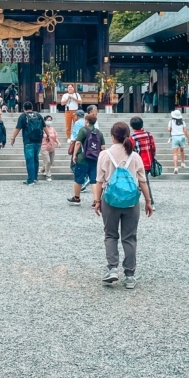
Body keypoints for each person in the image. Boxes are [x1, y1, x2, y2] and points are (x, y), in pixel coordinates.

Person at [93, 121, 153, 289]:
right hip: (131, 201)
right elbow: (142, 181)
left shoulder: (104, 155)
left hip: (110, 200)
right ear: (128, 136)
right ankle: (130, 276)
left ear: (112, 136)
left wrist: (97, 201)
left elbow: (98, 181)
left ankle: (112, 269)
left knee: (110, 235)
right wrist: (148, 202)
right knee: (130, 237)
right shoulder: (135, 156)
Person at [67, 111, 103, 205]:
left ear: (86, 121)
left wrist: (74, 155)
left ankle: (76, 198)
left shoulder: (83, 130)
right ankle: (96, 200)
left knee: (78, 178)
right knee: (94, 180)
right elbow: (102, 147)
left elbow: (78, 142)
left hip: (82, 158)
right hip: (95, 159)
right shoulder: (99, 132)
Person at [11, 101, 46, 185]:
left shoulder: (23, 116)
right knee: (35, 159)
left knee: (29, 160)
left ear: (23, 108)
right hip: (38, 140)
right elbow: (44, 127)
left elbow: (18, 128)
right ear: (32, 108)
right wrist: (48, 136)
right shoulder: (38, 115)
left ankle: (30, 179)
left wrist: (13, 138)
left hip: (28, 140)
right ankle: (35, 178)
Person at [129, 116, 157, 206]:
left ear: (132, 126)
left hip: (139, 163)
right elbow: (153, 148)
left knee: (143, 182)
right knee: (143, 181)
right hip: (149, 161)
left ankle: (150, 202)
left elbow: (131, 150)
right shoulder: (149, 134)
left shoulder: (132, 137)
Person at [168, 109, 189, 174]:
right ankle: (182, 163)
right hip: (182, 136)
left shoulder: (171, 121)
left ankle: (175, 168)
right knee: (182, 150)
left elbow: (168, 129)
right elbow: (185, 131)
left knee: (175, 154)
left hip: (174, 137)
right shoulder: (182, 122)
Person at [40, 114, 61, 181]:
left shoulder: (52, 129)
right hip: (44, 147)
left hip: (52, 147)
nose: (49, 121)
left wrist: (58, 143)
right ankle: (48, 176)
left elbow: (55, 137)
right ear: (45, 121)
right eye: (48, 120)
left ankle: (42, 169)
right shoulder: (42, 129)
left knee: (50, 162)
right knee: (48, 161)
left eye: (50, 120)